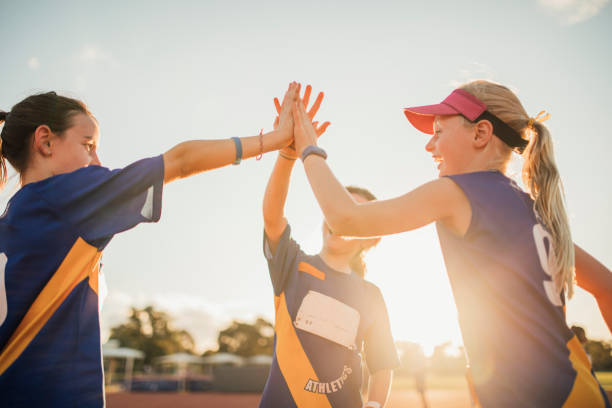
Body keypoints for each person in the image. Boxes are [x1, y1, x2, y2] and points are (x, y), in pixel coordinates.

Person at [291, 80, 611, 407]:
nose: (430, 145)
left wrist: (308, 148)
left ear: (480, 134)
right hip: (578, 387)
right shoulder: (533, 209)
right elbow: (606, 286)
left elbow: (346, 219)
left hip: (541, 397)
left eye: (439, 132)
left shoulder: (456, 192)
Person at [0, 83, 298, 407]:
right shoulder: (66, 197)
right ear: (45, 141)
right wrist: (276, 140)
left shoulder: (13, 219)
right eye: (88, 145)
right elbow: (181, 160)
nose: (97, 162)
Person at [259, 85, 399, 408]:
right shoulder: (292, 263)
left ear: (372, 238)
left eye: (355, 215)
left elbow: (382, 367)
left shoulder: (371, 295)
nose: (342, 221)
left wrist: (375, 406)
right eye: (339, 209)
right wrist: (287, 155)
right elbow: (272, 216)